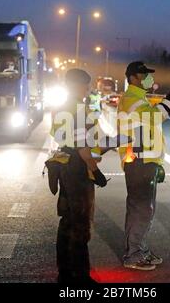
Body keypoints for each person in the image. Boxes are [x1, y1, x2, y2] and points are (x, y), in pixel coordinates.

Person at [118, 61, 170, 271]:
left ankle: (140, 250)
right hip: (139, 161)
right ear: (133, 77)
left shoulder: (138, 98)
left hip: (145, 159)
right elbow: (155, 118)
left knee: (144, 209)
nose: (149, 77)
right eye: (144, 74)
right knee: (141, 209)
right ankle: (134, 254)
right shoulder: (131, 99)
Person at [49, 69, 108, 284]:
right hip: (77, 168)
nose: (88, 89)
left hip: (64, 164)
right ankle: (80, 277)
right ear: (76, 86)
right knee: (81, 223)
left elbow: (62, 138)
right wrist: (96, 171)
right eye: (86, 85)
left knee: (67, 220)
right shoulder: (79, 109)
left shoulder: (60, 108)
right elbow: (83, 147)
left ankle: (64, 272)